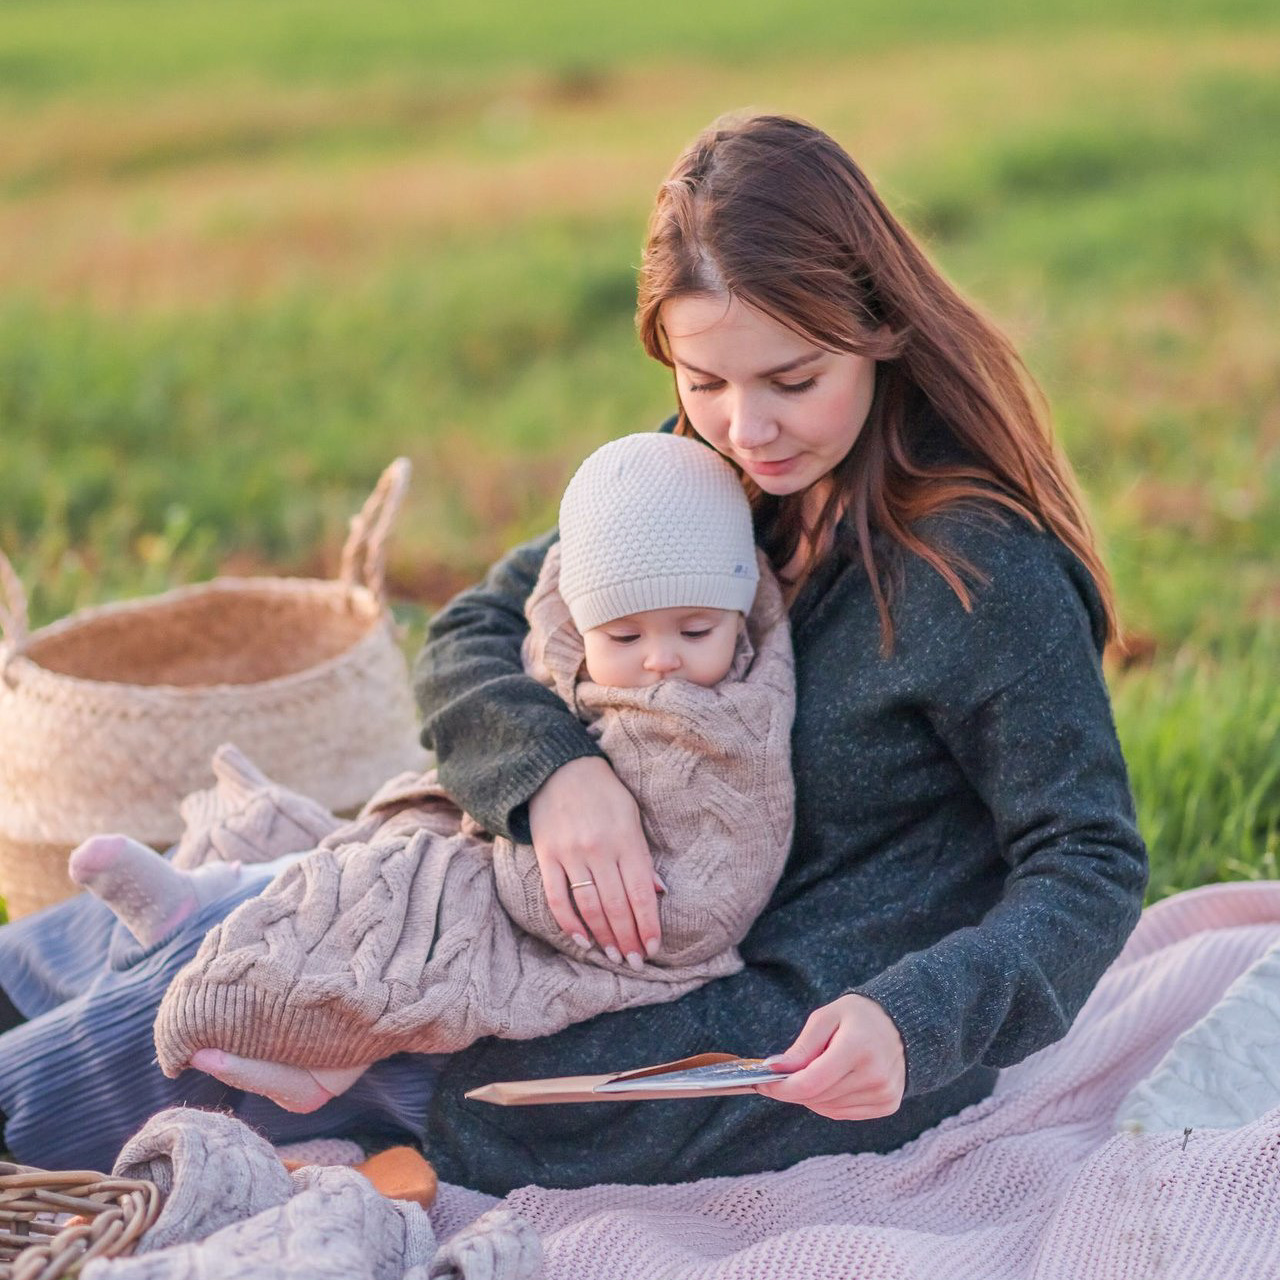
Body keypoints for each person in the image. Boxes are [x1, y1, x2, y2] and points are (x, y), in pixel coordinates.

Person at [0, 111, 1146, 1194]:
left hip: (736, 1038)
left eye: (792, 380)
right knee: (136, 929)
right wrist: (554, 778)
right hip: (536, 925)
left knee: (220, 991)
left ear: (878, 330)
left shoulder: (975, 570)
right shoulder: (701, 478)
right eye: (703, 383)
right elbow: (475, 628)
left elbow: (1084, 859)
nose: (746, 428)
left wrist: (914, 1018)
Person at [0, 431, 795, 1160]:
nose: (661, 661)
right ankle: (214, 899)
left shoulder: (728, 730)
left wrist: (519, 841)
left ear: (742, 611)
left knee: (361, 920)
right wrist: (540, 778)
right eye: (624, 638)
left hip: (581, 932)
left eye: (696, 632)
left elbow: (688, 910)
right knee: (361, 860)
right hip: (481, 831)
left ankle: (275, 995)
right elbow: (487, 639)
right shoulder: (611, 558)